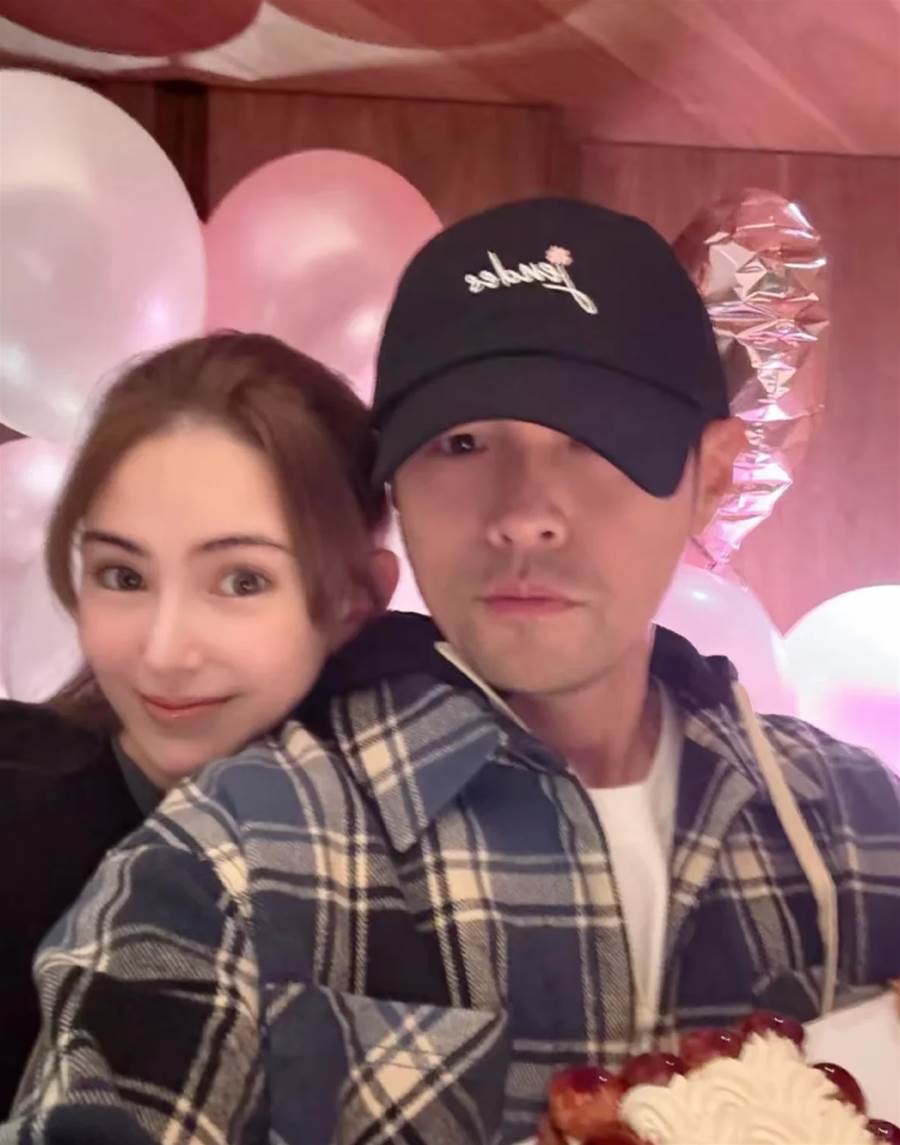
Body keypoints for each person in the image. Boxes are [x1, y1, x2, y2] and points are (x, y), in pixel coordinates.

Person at [6, 200, 900, 1145]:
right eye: (462, 443)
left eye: (594, 438)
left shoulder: (855, 828)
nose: (523, 515)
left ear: (710, 477)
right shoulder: (232, 862)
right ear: (396, 485)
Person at [0, 332, 395, 1114]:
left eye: (241, 580)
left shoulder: (421, 853)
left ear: (357, 600)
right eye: (123, 575)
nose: (163, 651)